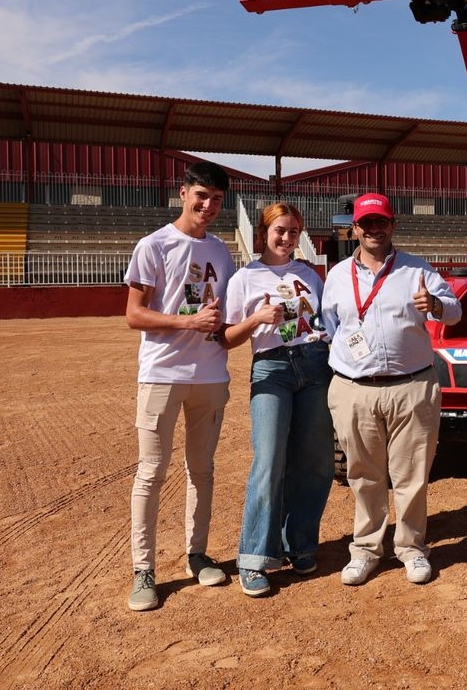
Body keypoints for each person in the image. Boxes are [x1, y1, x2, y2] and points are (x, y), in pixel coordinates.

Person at [321, 192, 461, 586]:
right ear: (355, 228)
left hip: (412, 385)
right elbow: (332, 328)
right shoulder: (336, 276)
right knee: (363, 474)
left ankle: (412, 548)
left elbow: (455, 310)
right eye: (366, 223)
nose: (373, 229)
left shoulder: (417, 270)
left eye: (381, 221)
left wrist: (434, 304)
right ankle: (365, 549)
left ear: (393, 225)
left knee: (411, 475)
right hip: (355, 389)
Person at [123, 161, 237, 612]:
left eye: (217, 200)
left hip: (210, 374)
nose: (208, 206)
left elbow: (227, 312)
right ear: (183, 192)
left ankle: (197, 553)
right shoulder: (154, 245)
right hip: (162, 374)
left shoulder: (223, 252)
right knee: (151, 472)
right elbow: (134, 314)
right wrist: (187, 321)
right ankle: (143, 570)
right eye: (201, 196)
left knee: (203, 470)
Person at [222, 202, 334, 597]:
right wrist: (256, 320)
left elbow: (325, 320)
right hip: (271, 367)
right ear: (264, 233)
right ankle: (254, 557)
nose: (286, 239)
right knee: (268, 460)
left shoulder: (309, 274)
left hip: (315, 366)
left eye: (292, 231)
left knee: (316, 461)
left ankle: (299, 544)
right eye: (279, 231)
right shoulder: (245, 278)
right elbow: (226, 336)